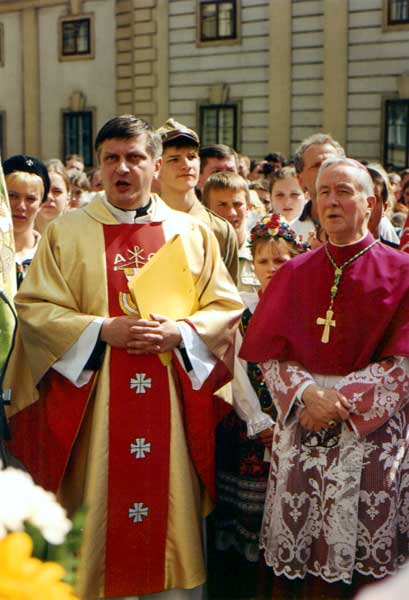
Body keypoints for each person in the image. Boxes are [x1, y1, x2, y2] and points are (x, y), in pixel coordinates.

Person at [5, 115, 243, 600]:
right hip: (96, 411)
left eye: (135, 157)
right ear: (98, 166)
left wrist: (181, 333)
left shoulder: (190, 232)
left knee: (169, 527)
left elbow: (225, 308)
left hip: (170, 407)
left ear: (155, 165)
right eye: (111, 158)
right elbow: (35, 309)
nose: (123, 168)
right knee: (100, 534)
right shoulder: (67, 231)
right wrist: (100, 330)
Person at [240, 157, 409, 599]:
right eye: (324, 192)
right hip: (302, 430)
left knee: (364, 553)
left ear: (370, 203)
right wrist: (306, 395)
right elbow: (269, 354)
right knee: (301, 549)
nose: (332, 201)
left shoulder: (403, 271)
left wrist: (337, 402)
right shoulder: (293, 272)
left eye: (344, 192)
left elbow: (403, 365)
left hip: (369, 438)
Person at [208, 214, 308, 600]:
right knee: (249, 514)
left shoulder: (307, 308)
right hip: (254, 427)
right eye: (263, 261)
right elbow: (238, 372)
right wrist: (258, 421)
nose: (271, 268)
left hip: (298, 424)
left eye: (280, 260)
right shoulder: (244, 311)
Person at [157, 118, 238, 283]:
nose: (186, 165)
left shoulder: (220, 230)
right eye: (174, 159)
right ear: (156, 166)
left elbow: (228, 294)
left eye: (191, 156)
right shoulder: (142, 224)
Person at [203, 171, 260, 293]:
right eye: (222, 205)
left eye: (237, 204)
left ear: (248, 207)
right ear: (206, 209)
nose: (231, 213)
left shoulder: (261, 253)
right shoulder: (199, 253)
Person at [3, 155, 50, 287]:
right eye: (13, 196)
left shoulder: (51, 256)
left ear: (41, 204)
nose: (21, 206)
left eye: (30, 199)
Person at [292, 132, 345, 245]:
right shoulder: (291, 233)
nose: (325, 170)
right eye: (317, 165)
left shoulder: (361, 224)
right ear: (300, 179)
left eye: (331, 164)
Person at [35, 160, 70, 234]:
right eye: (44, 190)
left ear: (68, 197)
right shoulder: (14, 231)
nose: (49, 197)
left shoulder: (79, 232)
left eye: (57, 191)